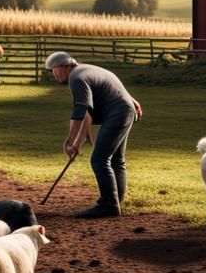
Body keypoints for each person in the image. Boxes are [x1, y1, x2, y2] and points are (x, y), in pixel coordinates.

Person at [45, 51, 142, 218]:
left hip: (118, 113)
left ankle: (109, 205)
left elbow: (81, 109)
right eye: (51, 70)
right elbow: (87, 115)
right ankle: (115, 201)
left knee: (99, 159)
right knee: (116, 160)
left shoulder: (76, 77)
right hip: (126, 110)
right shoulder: (86, 70)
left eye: (55, 69)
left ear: (66, 66)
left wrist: (70, 141)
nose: (54, 74)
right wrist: (77, 143)